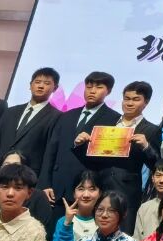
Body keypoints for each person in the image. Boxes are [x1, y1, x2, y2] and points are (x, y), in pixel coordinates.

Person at [39, 71, 121, 223]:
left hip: (86, 191)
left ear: (108, 91)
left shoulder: (114, 120)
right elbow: (51, 151)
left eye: (99, 87)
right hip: (55, 189)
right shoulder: (67, 115)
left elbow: (107, 161)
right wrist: (45, 183)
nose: (92, 91)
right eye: (89, 87)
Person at [0, 67, 61, 191]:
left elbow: (49, 153)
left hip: (27, 180)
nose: (41, 86)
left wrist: (42, 186)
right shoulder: (10, 111)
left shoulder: (56, 116)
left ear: (55, 88)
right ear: (30, 85)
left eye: (47, 83)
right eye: (37, 82)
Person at [112, 80, 163, 211]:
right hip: (101, 187)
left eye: (136, 99)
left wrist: (146, 147)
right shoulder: (108, 122)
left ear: (146, 102)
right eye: (126, 98)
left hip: (128, 191)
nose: (129, 103)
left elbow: (156, 164)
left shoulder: (151, 130)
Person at [49, 170, 104, 241]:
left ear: (100, 193)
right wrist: (67, 224)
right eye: (81, 189)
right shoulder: (63, 221)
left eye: (92, 189)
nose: (86, 194)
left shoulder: (104, 221)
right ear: (74, 193)